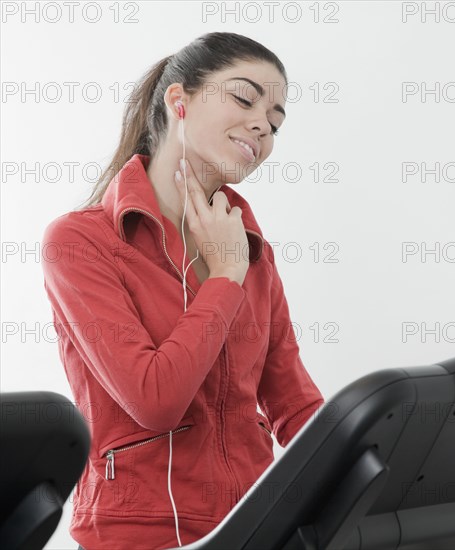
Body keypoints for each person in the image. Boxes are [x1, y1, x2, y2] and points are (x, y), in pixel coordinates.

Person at [41, 32, 325, 550]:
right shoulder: (81, 242)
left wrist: (385, 464)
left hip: (253, 530)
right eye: (245, 98)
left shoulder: (250, 250)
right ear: (179, 102)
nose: (263, 124)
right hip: (138, 536)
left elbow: (293, 401)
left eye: (277, 121)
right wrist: (224, 277)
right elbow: (155, 400)